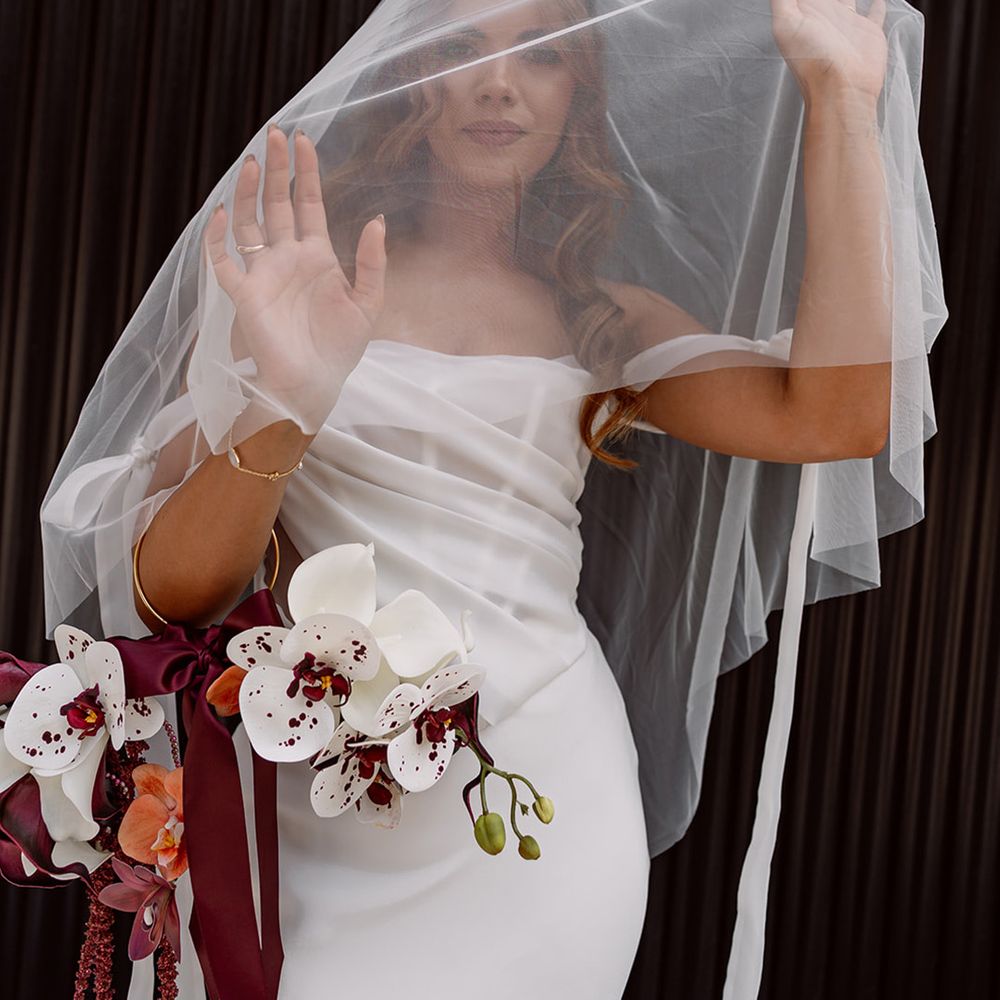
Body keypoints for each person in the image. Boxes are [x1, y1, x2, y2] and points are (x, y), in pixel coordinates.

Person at [37, 1, 945, 997]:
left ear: (579, 96)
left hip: (539, 794)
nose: (498, 83)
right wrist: (289, 399)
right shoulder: (293, 288)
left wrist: (840, 98)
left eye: (540, 57)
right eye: (460, 47)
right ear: (408, 79)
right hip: (314, 795)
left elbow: (840, 414)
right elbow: (173, 596)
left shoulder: (601, 317)